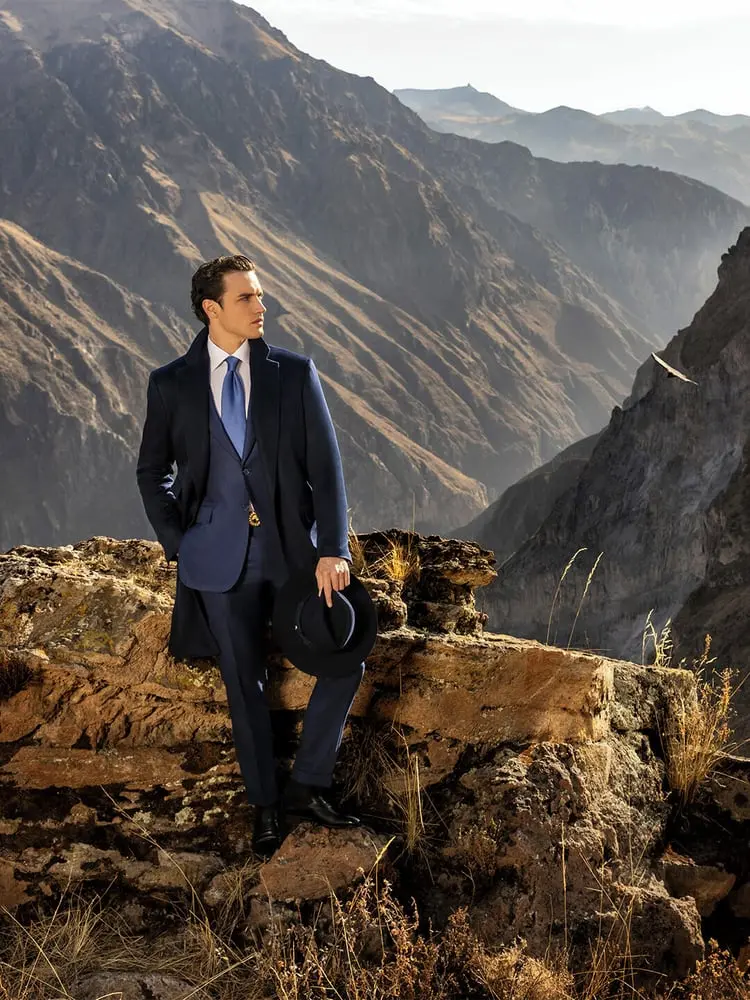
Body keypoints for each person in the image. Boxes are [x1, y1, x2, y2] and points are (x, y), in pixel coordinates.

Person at [136, 254, 364, 857]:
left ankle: (308, 785)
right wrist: (180, 543)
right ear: (212, 309)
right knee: (245, 684)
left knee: (345, 660)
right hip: (214, 559)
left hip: (293, 553)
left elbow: (326, 467)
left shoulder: (294, 372)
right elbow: (151, 470)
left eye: (261, 296)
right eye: (247, 298)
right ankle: (265, 807)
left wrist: (332, 548)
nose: (262, 307)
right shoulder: (171, 383)